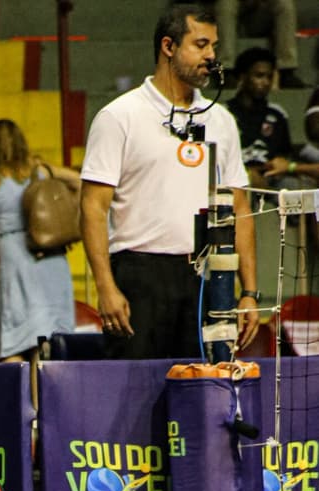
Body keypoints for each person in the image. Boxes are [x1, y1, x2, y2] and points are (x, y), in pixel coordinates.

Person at [80, 3, 260, 359]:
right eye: (201, 45)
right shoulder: (120, 116)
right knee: (136, 397)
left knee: (204, 395)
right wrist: (105, 287)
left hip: (205, 276)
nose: (211, 56)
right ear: (168, 47)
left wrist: (250, 292)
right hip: (139, 274)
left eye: (214, 46)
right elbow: (92, 207)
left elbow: (239, 207)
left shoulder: (221, 120)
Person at [0, 118, 77, 362]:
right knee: (48, 335)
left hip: (14, 254)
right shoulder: (40, 169)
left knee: (15, 338)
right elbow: (78, 181)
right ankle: (47, 392)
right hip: (51, 255)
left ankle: (22, 397)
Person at [226, 46, 295, 188]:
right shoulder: (224, 113)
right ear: (243, 77)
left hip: (271, 177)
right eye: (259, 76)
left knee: (292, 185)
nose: (266, 82)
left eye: (269, 77)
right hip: (237, 177)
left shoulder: (277, 114)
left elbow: (284, 155)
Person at [216, 0, 305, 89]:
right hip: (234, 12)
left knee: (284, 3)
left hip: (261, 10)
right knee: (225, 4)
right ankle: (225, 71)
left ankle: (286, 71)